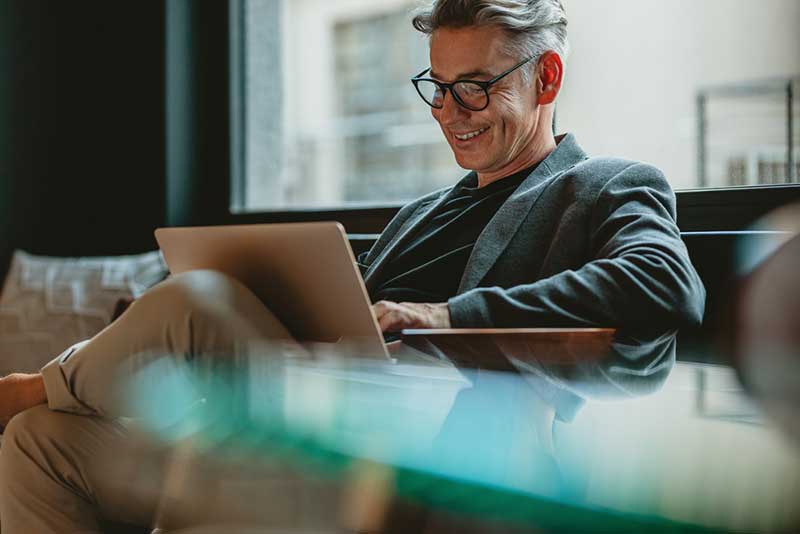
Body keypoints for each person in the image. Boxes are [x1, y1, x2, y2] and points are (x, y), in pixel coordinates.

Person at [0, 0, 705, 531]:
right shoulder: (419, 214)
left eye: (475, 86)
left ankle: (39, 383)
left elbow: (663, 283)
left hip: (424, 455)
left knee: (196, 302)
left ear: (547, 76)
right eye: (437, 86)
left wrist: (445, 315)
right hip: (309, 421)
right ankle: (52, 400)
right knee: (42, 443)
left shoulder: (608, 184)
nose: (450, 112)